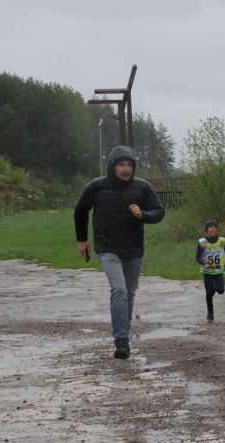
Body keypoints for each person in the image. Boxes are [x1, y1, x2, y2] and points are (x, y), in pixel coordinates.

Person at [74, 146, 165, 359]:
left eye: (129, 165)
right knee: (119, 290)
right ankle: (121, 340)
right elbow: (80, 211)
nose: (125, 169)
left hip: (133, 248)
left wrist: (142, 214)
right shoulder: (97, 187)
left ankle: (124, 331)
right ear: (112, 166)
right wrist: (82, 240)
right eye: (121, 165)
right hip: (107, 247)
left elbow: (159, 212)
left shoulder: (142, 188)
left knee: (129, 293)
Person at [196, 219, 225, 321]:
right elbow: (197, 257)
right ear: (206, 230)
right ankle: (210, 313)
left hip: (218, 270)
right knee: (209, 293)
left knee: (221, 290)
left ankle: (214, 287)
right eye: (210, 227)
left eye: (214, 227)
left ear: (217, 230)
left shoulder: (222, 240)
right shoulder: (202, 242)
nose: (212, 229)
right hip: (207, 271)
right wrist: (203, 261)